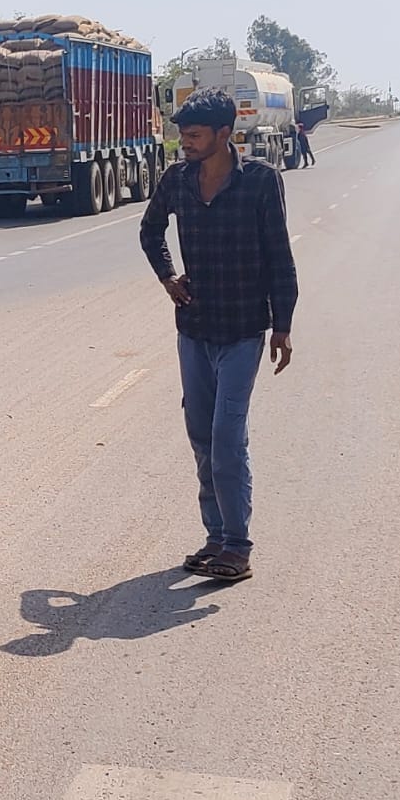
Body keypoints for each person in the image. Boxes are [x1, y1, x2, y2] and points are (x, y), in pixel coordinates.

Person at [138, 89, 297, 582]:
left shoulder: (261, 184)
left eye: (193, 136)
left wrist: (284, 326)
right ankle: (215, 537)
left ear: (224, 135)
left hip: (244, 330)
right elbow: (149, 230)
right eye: (182, 135)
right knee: (202, 438)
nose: (184, 143)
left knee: (228, 439)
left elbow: (279, 257)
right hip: (195, 330)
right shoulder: (179, 180)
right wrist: (168, 277)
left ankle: (238, 545)